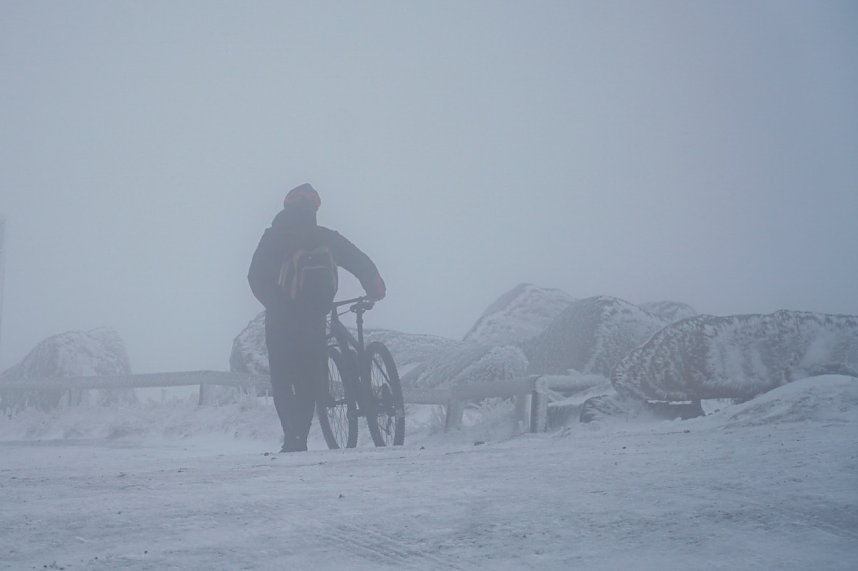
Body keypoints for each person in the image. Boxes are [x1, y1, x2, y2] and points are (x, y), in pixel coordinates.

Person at [248, 183, 386, 452]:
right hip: (313, 315)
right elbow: (359, 261)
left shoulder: (273, 237)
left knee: (283, 378)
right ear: (314, 208)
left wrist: (275, 304)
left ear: (287, 206)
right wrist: (375, 290)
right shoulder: (324, 237)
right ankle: (300, 435)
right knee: (307, 376)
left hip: (280, 319)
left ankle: (294, 439)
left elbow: (254, 276)